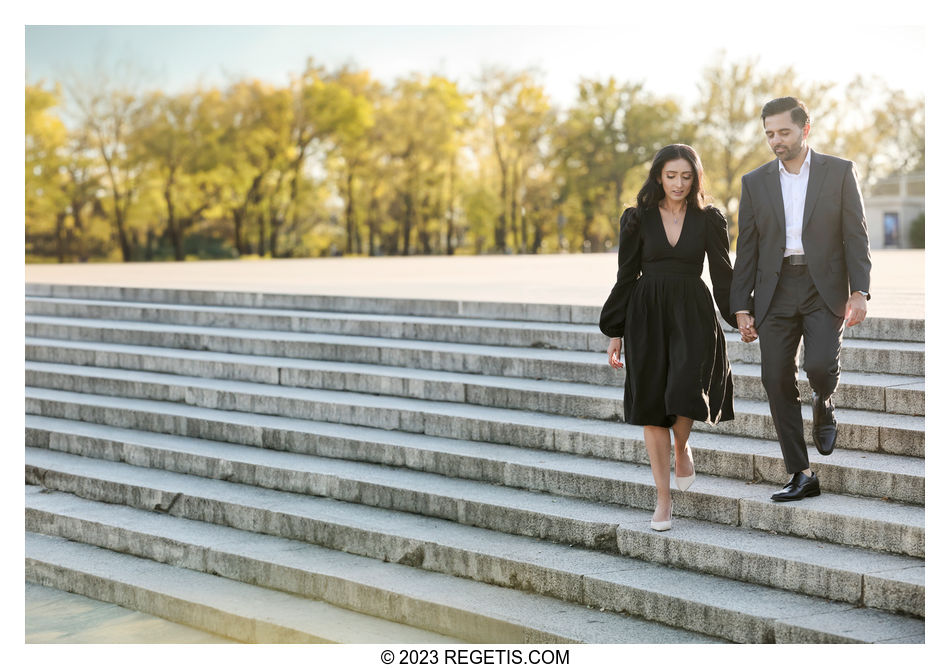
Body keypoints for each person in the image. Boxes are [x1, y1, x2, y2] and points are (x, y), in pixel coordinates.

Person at [731, 97, 871, 502]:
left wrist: (859, 290)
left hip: (822, 284)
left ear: (804, 129)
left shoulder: (839, 172)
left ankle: (823, 400)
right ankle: (801, 472)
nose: (775, 140)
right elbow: (748, 247)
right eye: (769, 133)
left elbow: (856, 234)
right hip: (773, 291)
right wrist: (742, 305)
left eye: (783, 132)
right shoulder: (754, 182)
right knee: (774, 378)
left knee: (820, 366)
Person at [599, 144, 738, 532]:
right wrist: (615, 330)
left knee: (685, 390)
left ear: (695, 179)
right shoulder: (637, 218)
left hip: (692, 311)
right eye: (671, 175)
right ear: (658, 176)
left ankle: (682, 446)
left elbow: (723, 274)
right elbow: (626, 275)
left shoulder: (709, 219)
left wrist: (740, 315)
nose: (678, 183)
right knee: (651, 404)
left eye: (686, 176)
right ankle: (663, 499)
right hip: (647, 313)